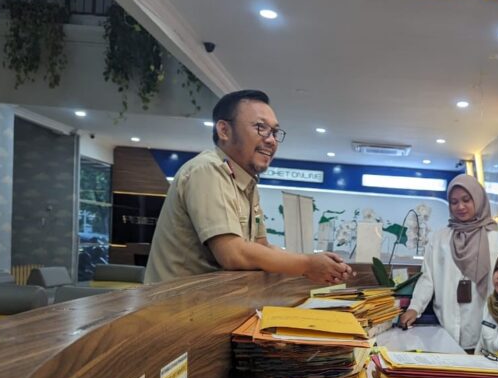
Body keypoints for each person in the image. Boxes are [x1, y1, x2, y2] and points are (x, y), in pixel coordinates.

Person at [145, 90, 353, 284]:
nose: (271, 140)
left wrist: (314, 262)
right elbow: (233, 254)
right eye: (260, 127)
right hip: (176, 312)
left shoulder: (247, 182)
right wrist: (307, 265)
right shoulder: (208, 170)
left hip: (212, 308)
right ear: (224, 130)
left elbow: (261, 247)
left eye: (275, 132)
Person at [399, 175, 498, 349]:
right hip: (447, 327)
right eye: (454, 202)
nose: (460, 206)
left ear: (478, 199)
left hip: (486, 327)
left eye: (466, 200)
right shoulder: (441, 237)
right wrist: (415, 308)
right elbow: (428, 278)